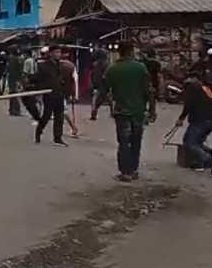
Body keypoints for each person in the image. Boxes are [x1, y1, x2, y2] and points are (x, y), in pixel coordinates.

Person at [91, 40, 156, 182]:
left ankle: (125, 172)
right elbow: (149, 91)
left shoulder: (112, 69)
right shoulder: (141, 68)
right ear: (131, 51)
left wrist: (95, 108)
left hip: (121, 112)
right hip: (138, 112)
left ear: (118, 52)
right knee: (136, 141)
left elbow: (103, 91)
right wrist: (152, 110)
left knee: (124, 142)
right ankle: (133, 170)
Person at [175, 73, 212, 174]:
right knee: (197, 141)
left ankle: (211, 161)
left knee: (190, 143)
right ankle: (199, 163)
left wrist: (181, 118)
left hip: (202, 119)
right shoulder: (205, 87)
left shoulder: (193, 87)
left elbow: (189, 104)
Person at [35, 44, 67, 145]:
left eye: (59, 52)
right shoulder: (43, 65)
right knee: (46, 115)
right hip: (49, 94)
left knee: (59, 116)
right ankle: (39, 131)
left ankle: (58, 137)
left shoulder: (61, 65)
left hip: (59, 93)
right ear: (51, 53)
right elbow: (38, 79)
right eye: (56, 52)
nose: (58, 54)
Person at [60, 50, 78, 138]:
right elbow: (74, 81)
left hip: (58, 91)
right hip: (66, 91)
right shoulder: (71, 66)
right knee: (61, 110)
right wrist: (74, 95)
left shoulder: (57, 65)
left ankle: (73, 127)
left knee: (63, 111)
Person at [7, 47, 24, 115]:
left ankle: (11, 109)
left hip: (11, 79)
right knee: (16, 94)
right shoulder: (17, 59)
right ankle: (16, 110)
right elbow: (20, 70)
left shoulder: (10, 58)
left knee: (12, 94)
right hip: (15, 79)